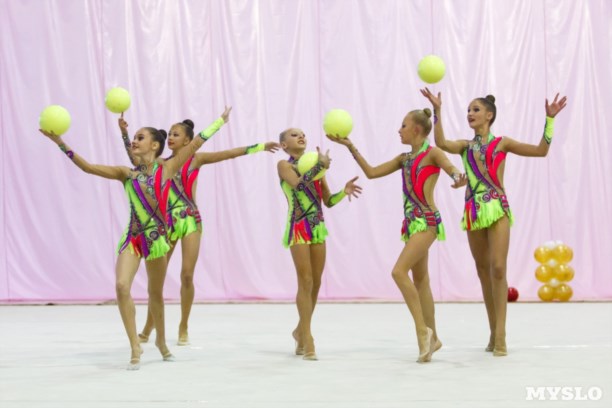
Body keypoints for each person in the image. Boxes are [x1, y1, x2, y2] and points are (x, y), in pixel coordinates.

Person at [38, 106, 231, 369]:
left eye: (140, 138)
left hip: (157, 241)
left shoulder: (167, 169)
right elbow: (88, 167)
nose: (135, 142)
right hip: (133, 238)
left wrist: (220, 121)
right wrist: (60, 143)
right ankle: (134, 345)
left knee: (155, 294)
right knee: (121, 286)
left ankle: (161, 341)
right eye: (134, 138)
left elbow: (197, 142)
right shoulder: (126, 174)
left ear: (154, 145)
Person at [421, 88, 567, 356]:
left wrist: (550, 120)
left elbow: (541, 151)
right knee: (483, 273)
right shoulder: (465, 146)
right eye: (468, 110)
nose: (470, 114)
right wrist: (438, 110)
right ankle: (492, 331)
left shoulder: (502, 143)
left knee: (498, 269)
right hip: (474, 211)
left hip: (497, 208)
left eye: (475, 110)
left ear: (489, 115)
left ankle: (501, 335)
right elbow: (441, 142)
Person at [118, 116, 280, 345]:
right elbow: (134, 159)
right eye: (169, 134)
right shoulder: (161, 164)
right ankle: (148, 326)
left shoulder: (196, 159)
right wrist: (125, 134)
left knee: (186, 274)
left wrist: (260, 146)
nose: (171, 138)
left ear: (187, 141)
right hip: (166, 223)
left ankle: (183, 325)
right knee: (157, 282)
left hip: (190, 219)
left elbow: (228, 154)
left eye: (176, 135)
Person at [327, 108, 466, 363]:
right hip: (411, 224)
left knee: (398, 272)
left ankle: (422, 331)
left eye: (403, 125)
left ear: (416, 129)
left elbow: (452, 168)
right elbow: (372, 172)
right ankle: (434, 338)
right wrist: (350, 146)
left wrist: (459, 178)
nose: (399, 130)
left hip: (427, 221)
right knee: (421, 280)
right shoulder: (404, 159)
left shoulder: (432, 153)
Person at [278, 128, 362, 360]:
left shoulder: (317, 168)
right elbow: (298, 185)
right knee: (304, 280)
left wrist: (343, 192)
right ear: (284, 145)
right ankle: (308, 337)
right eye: (294, 135)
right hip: (298, 227)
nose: (301, 136)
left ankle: (300, 330)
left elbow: (328, 201)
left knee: (315, 282)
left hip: (317, 228)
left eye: (302, 134)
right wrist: (319, 167)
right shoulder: (284, 165)